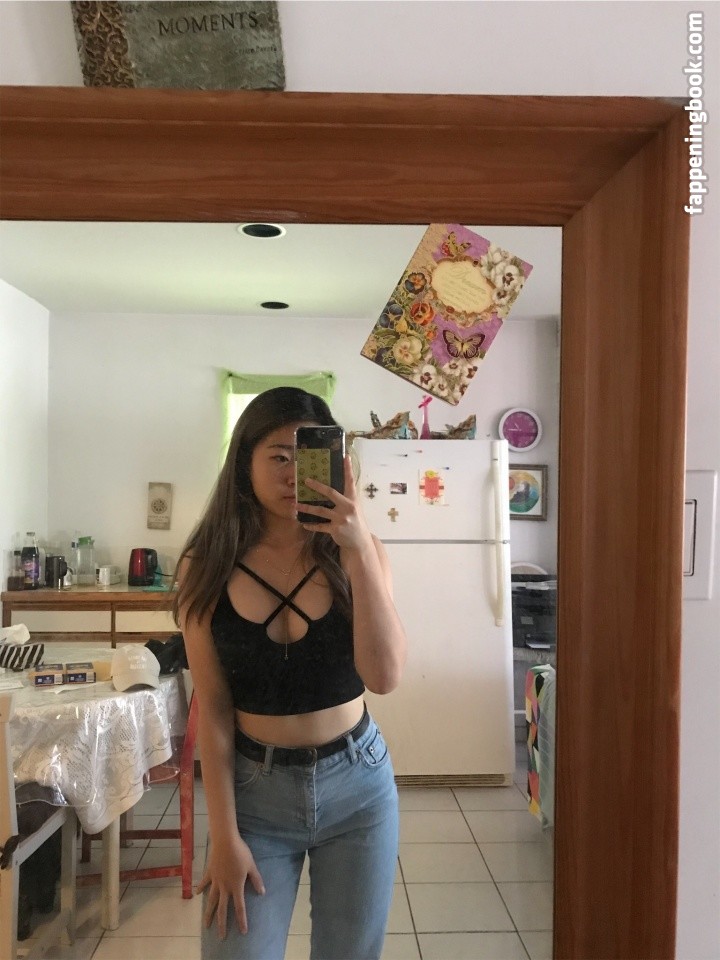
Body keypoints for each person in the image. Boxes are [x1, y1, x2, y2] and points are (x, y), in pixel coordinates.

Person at [172, 387, 407, 960]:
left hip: (358, 785)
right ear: (244, 463)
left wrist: (357, 547)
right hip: (256, 794)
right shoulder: (205, 566)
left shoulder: (362, 551)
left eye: (309, 456)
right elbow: (214, 710)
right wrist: (224, 837)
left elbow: (384, 677)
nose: (293, 474)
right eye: (279, 455)